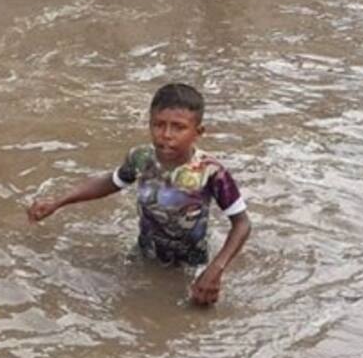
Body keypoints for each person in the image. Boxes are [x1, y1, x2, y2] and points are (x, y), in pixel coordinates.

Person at [27, 83, 251, 306]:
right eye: (158, 125)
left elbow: (242, 223)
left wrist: (217, 268)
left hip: (191, 264)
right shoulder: (141, 158)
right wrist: (58, 202)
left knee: (195, 316)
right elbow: (110, 182)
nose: (166, 135)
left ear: (198, 132)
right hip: (146, 253)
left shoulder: (211, 172)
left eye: (178, 127)